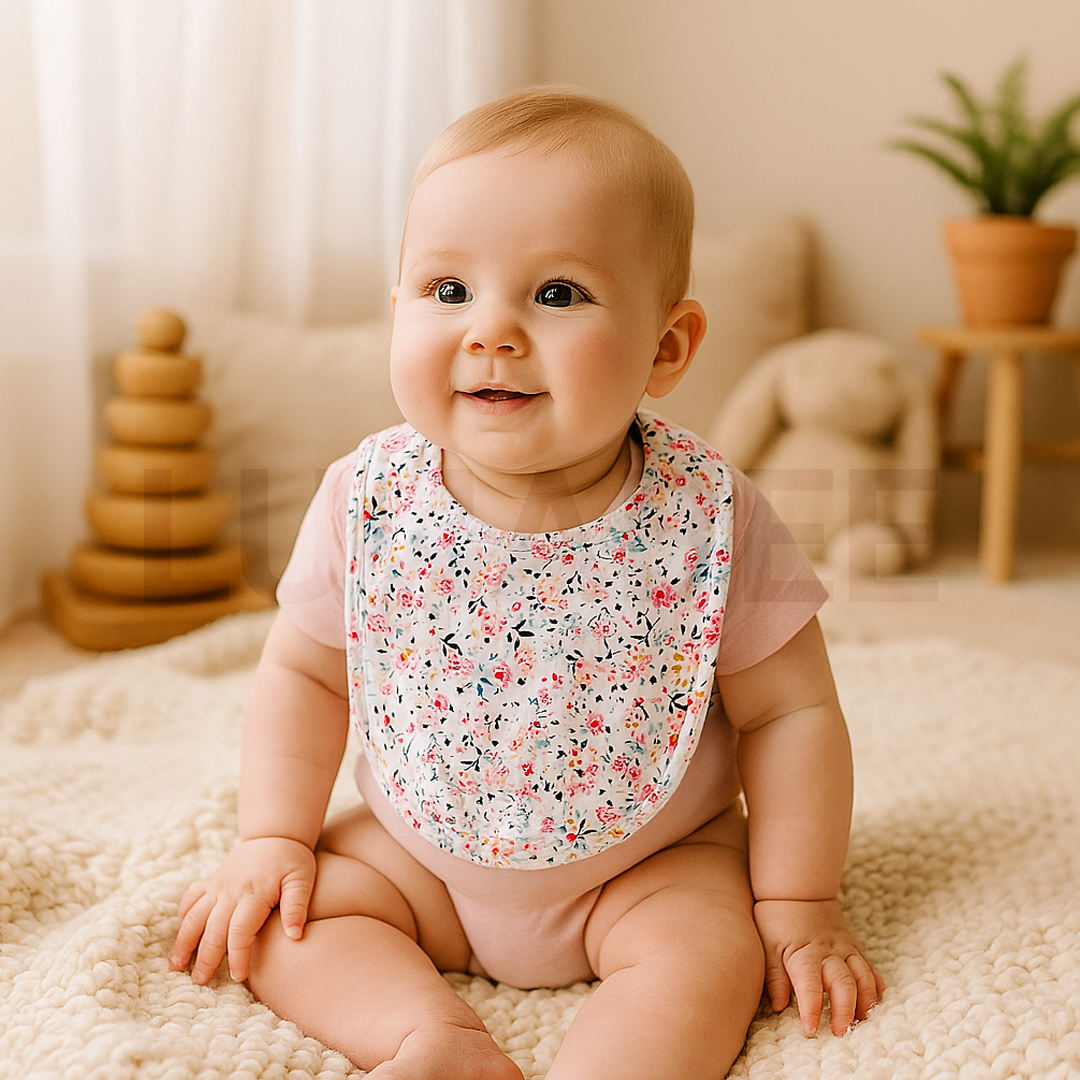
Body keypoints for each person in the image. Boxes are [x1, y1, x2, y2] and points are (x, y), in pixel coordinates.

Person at [170, 86, 884, 1080]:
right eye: (448, 290)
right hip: (418, 857)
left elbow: (792, 714)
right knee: (291, 920)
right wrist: (272, 837)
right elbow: (306, 678)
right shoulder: (367, 500)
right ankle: (431, 1039)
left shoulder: (710, 518)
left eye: (556, 294)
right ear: (398, 311)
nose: (490, 331)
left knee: (706, 959)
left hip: (646, 870)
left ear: (666, 346)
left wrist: (799, 902)